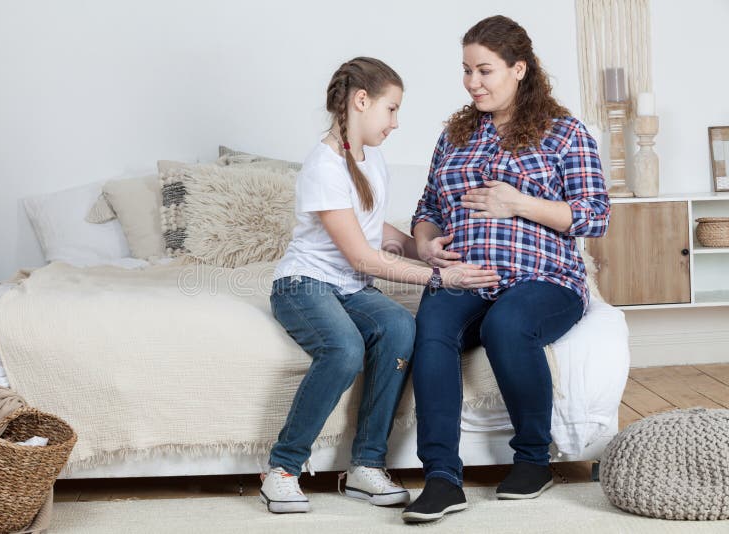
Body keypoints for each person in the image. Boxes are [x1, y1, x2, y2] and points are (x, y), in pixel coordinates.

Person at [261, 57, 501, 514]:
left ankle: (365, 466)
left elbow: (376, 235)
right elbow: (362, 257)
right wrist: (441, 276)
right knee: (344, 349)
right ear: (361, 101)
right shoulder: (323, 166)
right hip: (303, 284)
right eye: (391, 109)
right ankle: (283, 469)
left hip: (349, 287)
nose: (395, 122)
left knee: (400, 328)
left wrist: (424, 250)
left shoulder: (373, 159)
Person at [401, 16, 611, 523]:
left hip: (543, 277)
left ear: (519, 69)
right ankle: (442, 478)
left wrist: (520, 203)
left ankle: (533, 460)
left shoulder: (563, 132)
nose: (474, 82)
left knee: (507, 325)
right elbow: (428, 205)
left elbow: (594, 215)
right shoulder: (455, 135)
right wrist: (427, 244)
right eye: (467, 71)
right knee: (430, 328)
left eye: (485, 70)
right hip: (466, 274)